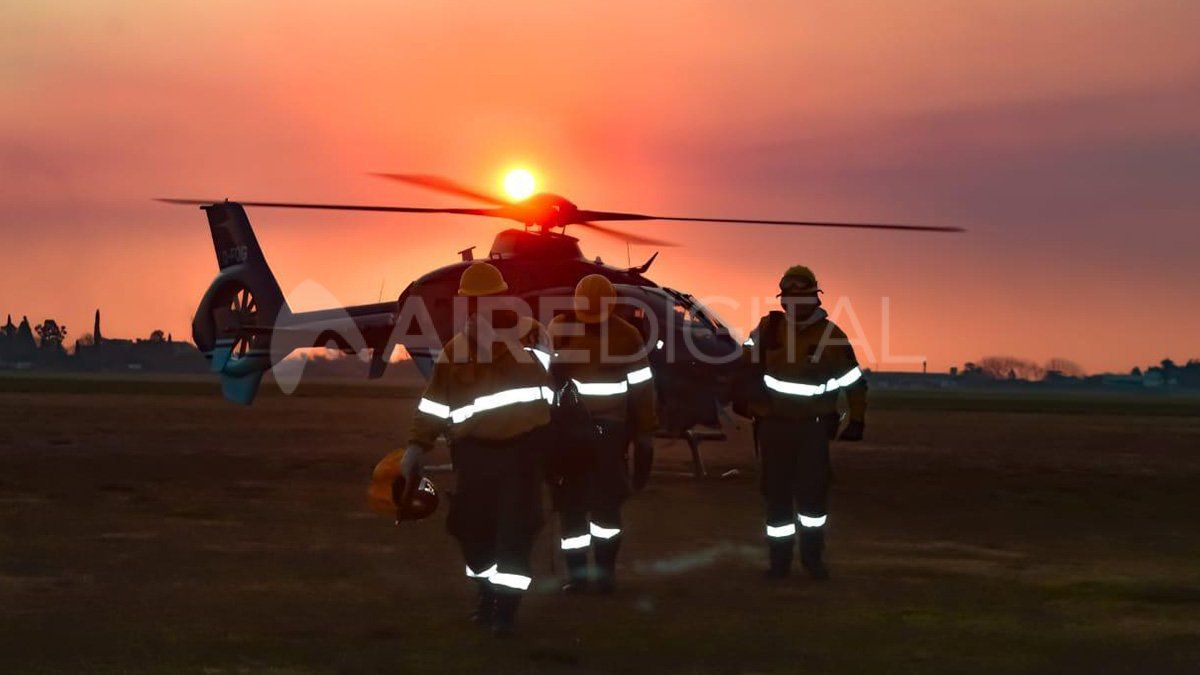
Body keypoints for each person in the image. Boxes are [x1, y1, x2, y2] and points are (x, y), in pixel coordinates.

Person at [400, 262, 554, 636]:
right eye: (475, 302)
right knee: (472, 532)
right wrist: (415, 450)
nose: (482, 307)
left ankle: (505, 614)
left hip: (524, 454)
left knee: (515, 535)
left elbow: (548, 375)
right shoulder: (456, 350)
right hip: (474, 456)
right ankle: (488, 595)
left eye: (489, 300)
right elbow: (434, 405)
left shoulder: (533, 336)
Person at [739, 265, 867, 580]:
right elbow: (743, 367)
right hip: (773, 426)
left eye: (799, 298)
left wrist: (857, 420)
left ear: (813, 298)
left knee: (812, 496)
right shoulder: (768, 329)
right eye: (788, 299)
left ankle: (812, 559)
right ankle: (779, 563)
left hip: (812, 427)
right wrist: (745, 397)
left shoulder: (831, 336)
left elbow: (854, 381)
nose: (792, 305)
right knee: (776, 495)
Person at [547, 274, 657, 593]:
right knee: (575, 507)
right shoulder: (564, 330)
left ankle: (599, 576)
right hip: (578, 433)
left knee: (599, 505)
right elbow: (543, 379)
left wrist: (645, 432)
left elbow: (642, 387)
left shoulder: (625, 335)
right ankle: (584, 578)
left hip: (603, 432)